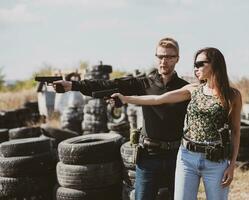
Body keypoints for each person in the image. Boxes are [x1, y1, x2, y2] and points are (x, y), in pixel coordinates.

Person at [53, 37, 189, 200]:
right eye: (160, 56)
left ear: (177, 59)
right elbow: (108, 84)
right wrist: (73, 86)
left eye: (169, 57)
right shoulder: (144, 83)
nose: (163, 61)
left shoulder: (185, 88)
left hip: (177, 156)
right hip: (148, 156)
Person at [112, 47, 242, 200]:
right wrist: (126, 99)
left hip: (215, 162)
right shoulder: (193, 89)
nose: (196, 68)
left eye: (200, 63)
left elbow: (235, 131)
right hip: (187, 158)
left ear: (215, 64)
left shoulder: (232, 95)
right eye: (195, 64)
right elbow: (158, 99)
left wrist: (232, 165)